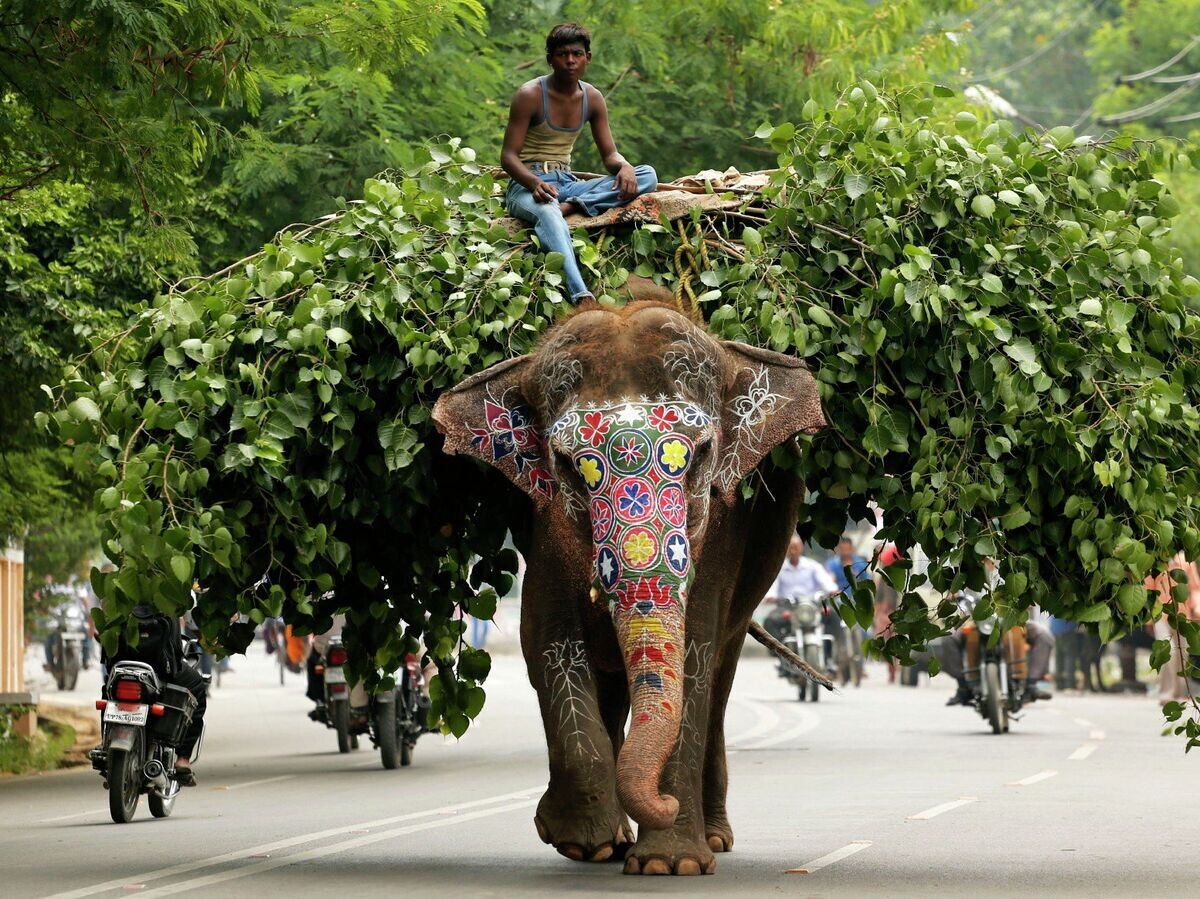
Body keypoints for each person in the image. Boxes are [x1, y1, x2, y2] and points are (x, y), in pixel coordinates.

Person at [501, 22, 658, 302]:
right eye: (562, 54)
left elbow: (609, 155)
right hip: (527, 186)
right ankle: (581, 295)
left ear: (588, 57)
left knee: (647, 175)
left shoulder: (593, 98)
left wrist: (624, 166)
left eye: (577, 53)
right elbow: (508, 157)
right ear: (550, 58)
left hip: (568, 185)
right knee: (548, 212)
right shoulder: (530, 95)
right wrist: (534, 183)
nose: (570, 60)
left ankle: (574, 207)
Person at [100, 603, 207, 786]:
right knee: (197, 687)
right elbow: (192, 620)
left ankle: (105, 745)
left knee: (109, 691)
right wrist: (204, 638)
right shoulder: (174, 585)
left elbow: (104, 616)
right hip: (161, 665)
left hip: (121, 661)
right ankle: (182, 759)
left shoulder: (118, 581)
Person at [939, 559, 1054, 706]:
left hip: (1012, 620)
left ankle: (1031, 684)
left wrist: (1028, 599)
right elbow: (956, 594)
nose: (987, 560)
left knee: (1044, 635)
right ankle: (963, 686)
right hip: (977, 621)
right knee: (949, 639)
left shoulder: (1012, 568)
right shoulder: (968, 572)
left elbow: (1028, 594)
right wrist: (953, 595)